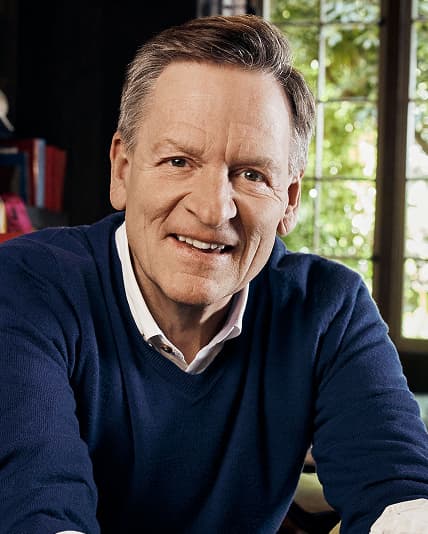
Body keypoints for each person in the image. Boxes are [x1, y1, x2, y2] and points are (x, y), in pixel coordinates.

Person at [0, 14, 427, 534]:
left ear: (289, 200)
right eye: (179, 161)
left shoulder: (328, 309)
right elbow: (36, 508)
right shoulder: (26, 286)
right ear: (122, 170)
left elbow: (401, 497)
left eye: (251, 174)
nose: (212, 209)